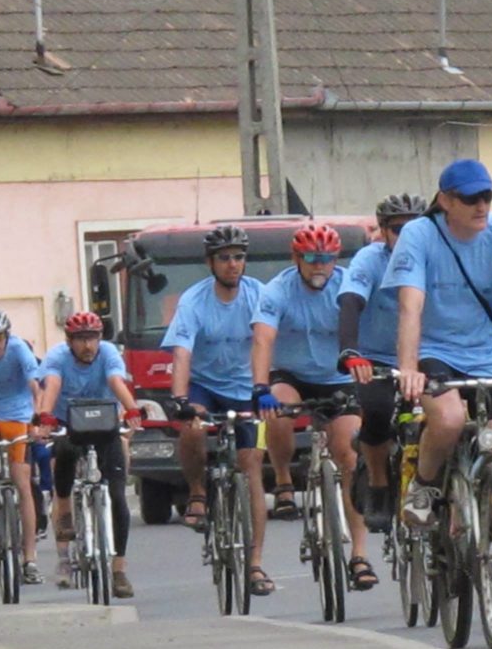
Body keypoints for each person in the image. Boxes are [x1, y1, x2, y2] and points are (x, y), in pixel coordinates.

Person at [383, 158, 492, 610]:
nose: (482, 205)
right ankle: (424, 485)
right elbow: (411, 307)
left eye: (487, 196)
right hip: (436, 352)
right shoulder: (420, 235)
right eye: (470, 199)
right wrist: (408, 368)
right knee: (447, 418)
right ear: (445, 201)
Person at [251, 222, 379, 591]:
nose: (319, 265)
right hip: (292, 373)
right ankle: (285, 481)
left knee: (350, 455)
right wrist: (260, 387)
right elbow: (262, 339)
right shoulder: (277, 289)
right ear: (296, 259)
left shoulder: (347, 284)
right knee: (276, 410)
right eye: (311, 258)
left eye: (327, 258)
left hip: (338, 377)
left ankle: (359, 554)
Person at [162, 225, 272, 596]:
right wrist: (180, 401)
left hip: (246, 388)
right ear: (210, 263)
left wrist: (264, 389)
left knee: (252, 465)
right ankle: (197, 491)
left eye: (239, 257)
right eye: (224, 258)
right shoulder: (193, 301)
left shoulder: (258, 295)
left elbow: (265, 339)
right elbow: (182, 352)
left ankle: (255, 564)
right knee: (192, 428)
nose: (233, 264)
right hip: (204, 385)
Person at [338, 193, 428, 534]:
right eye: (396, 229)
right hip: (376, 357)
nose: (405, 237)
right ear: (383, 231)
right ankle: (377, 484)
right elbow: (350, 301)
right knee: (376, 411)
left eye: (413, 228)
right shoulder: (369, 259)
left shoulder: (435, 256)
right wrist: (350, 350)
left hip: (425, 354)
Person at [35, 312, 142, 597]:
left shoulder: (108, 353)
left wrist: (131, 409)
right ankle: (66, 516)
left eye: (92, 338)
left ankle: (119, 569)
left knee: (118, 495)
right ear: (69, 341)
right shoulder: (58, 357)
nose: (88, 346)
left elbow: (117, 381)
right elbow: (52, 385)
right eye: (81, 339)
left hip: (105, 422)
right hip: (68, 423)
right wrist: (45, 415)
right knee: (64, 454)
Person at [0, 309, 44, 583]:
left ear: (8, 335)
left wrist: (38, 420)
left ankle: (30, 558)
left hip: (17, 413)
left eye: (0, 337)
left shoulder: (18, 349)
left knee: (22, 482)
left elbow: (35, 387)